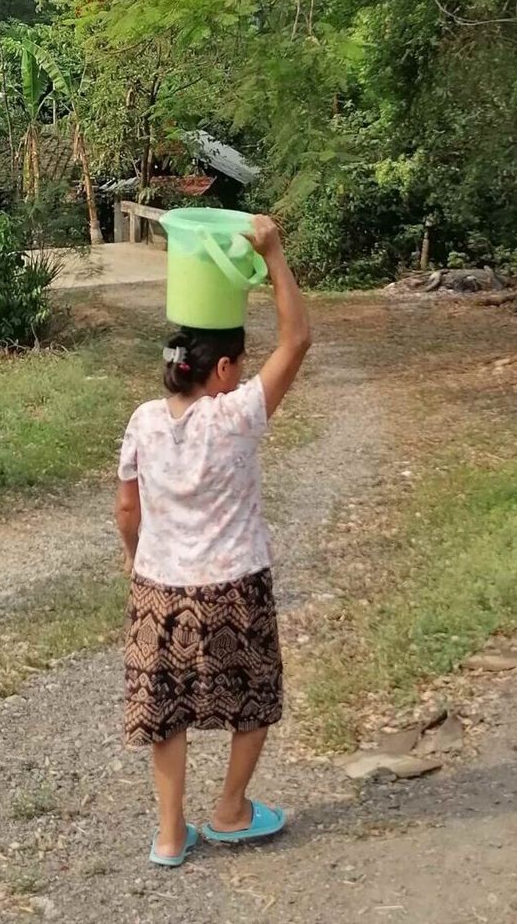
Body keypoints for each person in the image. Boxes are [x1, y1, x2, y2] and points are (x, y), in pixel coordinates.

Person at [113, 214, 312, 867]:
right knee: (251, 698)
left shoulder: (143, 421)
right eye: (241, 364)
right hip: (235, 584)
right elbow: (299, 338)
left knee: (165, 712)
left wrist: (136, 560)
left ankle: (170, 836)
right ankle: (229, 809)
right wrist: (274, 254)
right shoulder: (236, 416)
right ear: (223, 368)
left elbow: (126, 507)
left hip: (159, 589)